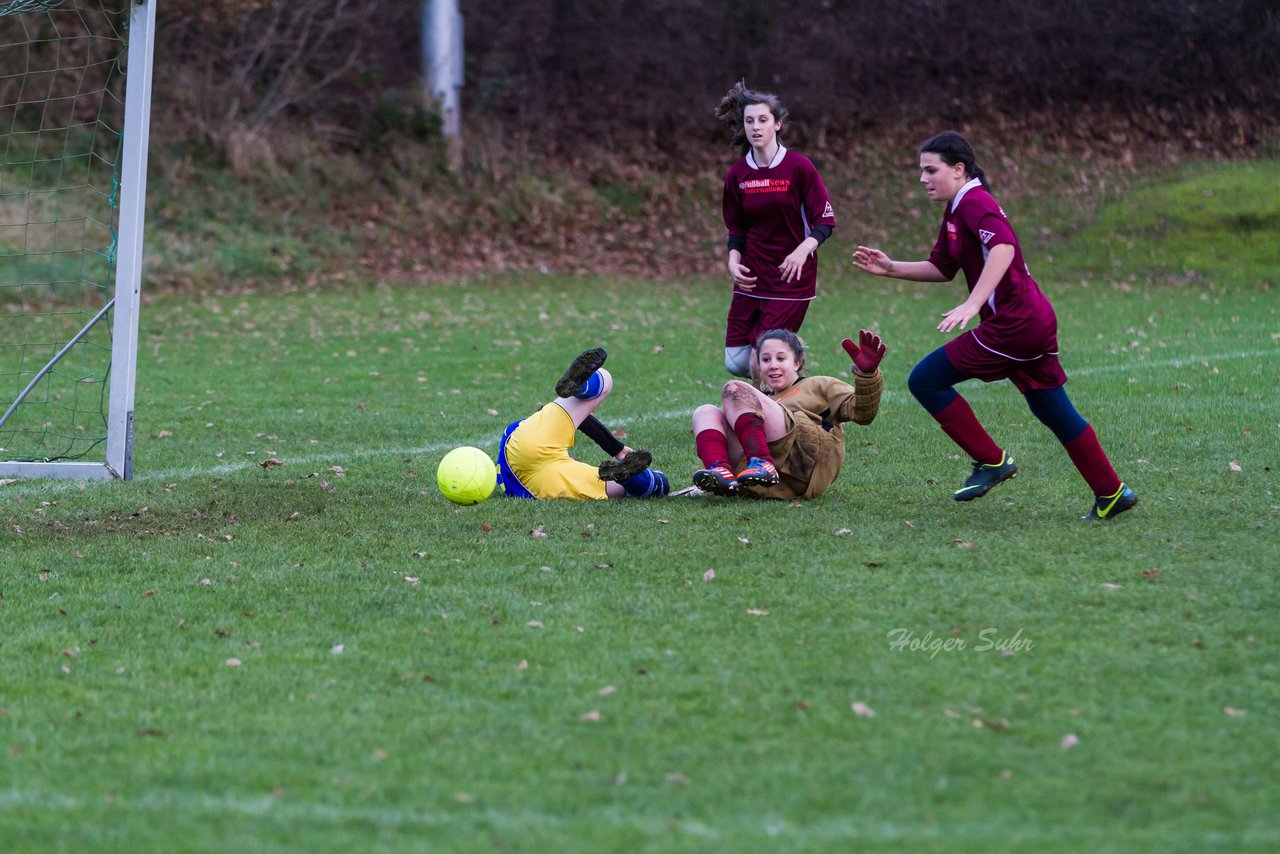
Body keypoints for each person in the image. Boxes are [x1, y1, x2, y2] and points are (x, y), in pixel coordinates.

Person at [851, 131, 1137, 520]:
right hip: (1030, 320)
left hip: (1014, 324)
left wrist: (973, 303)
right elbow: (943, 268)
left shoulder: (975, 202)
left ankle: (992, 462)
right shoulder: (956, 208)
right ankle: (1112, 492)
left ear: (958, 169)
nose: (923, 178)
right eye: (920, 170)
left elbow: (1004, 248)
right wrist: (891, 268)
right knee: (1052, 409)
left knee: (925, 380)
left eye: (930, 169)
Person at [715, 80, 837, 379]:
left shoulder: (799, 167)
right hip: (752, 278)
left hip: (789, 279)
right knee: (735, 362)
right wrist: (733, 262)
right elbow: (737, 229)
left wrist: (802, 251)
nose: (755, 127)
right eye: (749, 121)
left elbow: (825, 221)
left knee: (761, 360)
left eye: (763, 120)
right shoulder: (738, 174)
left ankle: (763, 419)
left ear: (777, 124)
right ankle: (797, 384)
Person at [689, 327, 884, 500]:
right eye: (765, 359)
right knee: (705, 411)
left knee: (735, 388)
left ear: (797, 363)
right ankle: (721, 473)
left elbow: (862, 414)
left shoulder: (820, 384)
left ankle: (761, 463)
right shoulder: (764, 400)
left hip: (804, 467)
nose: (772, 365)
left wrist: (867, 375)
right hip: (766, 481)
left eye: (781, 358)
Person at [496, 347, 670, 500]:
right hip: (544, 475)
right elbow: (582, 420)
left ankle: (582, 388)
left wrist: (617, 449)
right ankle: (637, 480)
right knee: (628, 488)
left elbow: (583, 420)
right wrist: (618, 450)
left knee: (605, 379)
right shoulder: (561, 463)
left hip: (521, 452)